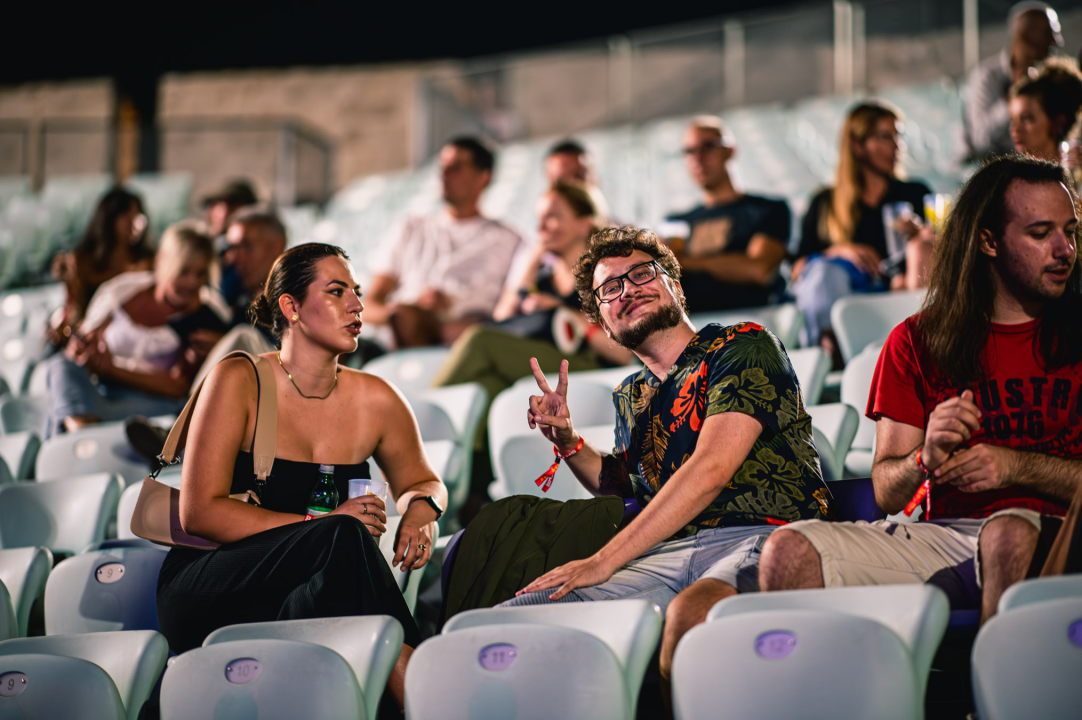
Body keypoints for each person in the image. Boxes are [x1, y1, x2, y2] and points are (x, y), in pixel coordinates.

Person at [502, 226, 834, 686]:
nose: (628, 291)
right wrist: (568, 441)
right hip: (668, 550)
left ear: (674, 287)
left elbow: (710, 470)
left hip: (764, 536)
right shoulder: (630, 394)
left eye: (641, 274)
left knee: (692, 617)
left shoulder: (741, 345)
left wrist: (603, 561)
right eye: (610, 289)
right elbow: (628, 488)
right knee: (511, 624)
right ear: (603, 323)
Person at [758, 155, 1082, 625]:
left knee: (1006, 535)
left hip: (1060, 532)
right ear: (988, 241)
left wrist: (1017, 467)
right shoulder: (915, 339)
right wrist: (924, 457)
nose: (1064, 249)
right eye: (1040, 233)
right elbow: (888, 492)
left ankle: (999, 695)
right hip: (946, 536)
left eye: (1070, 231)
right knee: (789, 550)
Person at [156, 243, 448, 712]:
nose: (357, 304)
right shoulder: (238, 379)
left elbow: (424, 480)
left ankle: (412, 691)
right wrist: (321, 527)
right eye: (337, 292)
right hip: (211, 587)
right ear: (290, 307)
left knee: (342, 545)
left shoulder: (377, 398)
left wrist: (419, 512)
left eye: (356, 291)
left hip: (312, 593)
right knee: (343, 532)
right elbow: (199, 512)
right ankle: (426, 694)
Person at [431, 182, 631, 406]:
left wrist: (563, 314)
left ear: (585, 225)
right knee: (487, 386)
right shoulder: (543, 280)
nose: (541, 227)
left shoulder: (605, 277)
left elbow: (623, 355)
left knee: (479, 340)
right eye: (539, 219)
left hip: (592, 370)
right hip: (547, 363)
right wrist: (532, 260)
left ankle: (412, 419)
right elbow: (502, 320)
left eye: (552, 217)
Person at [45, 222, 230, 437]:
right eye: (184, 271)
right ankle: (85, 433)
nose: (192, 282)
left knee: (64, 408)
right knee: (60, 366)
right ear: (163, 262)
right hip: (101, 393)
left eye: (200, 274)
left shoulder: (206, 314)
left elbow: (180, 388)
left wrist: (112, 370)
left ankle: (81, 439)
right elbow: (79, 344)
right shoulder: (121, 290)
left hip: (153, 403)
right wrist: (83, 352)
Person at [792, 102, 933, 353]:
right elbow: (798, 271)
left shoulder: (914, 194)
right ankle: (829, 348)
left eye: (898, 135)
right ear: (858, 147)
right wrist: (840, 251)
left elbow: (934, 253)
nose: (897, 145)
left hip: (900, 292)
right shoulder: (825, 202)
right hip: (848, 295)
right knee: (823, 275)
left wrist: (919, 237)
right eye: (884, 137)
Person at [362, 136, 524, 347]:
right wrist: (408, 315)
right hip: (396, 344)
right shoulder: (410, 228)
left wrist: (451, 312)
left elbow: (512, 311)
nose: (444, 175)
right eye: (442, 167)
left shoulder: (508, 240)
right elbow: (369, 305)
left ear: (483, 178)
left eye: (456, 168)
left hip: (464, 345)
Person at [664, 116, 790, 313]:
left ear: (730, 151)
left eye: (708, 146)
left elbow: (759, 270)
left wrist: (686, 262)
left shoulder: (767, 209)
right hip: (694, 329)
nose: (698, 158)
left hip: (753, 322)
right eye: (690, 151)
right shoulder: (676, 221)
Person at [50, 187, 156, 343]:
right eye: (127, 215)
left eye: (138, 214)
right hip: (90, 337)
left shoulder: (147, 260)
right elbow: (74, 312)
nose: (135, 222)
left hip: (134, 339)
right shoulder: (82, 260)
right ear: (109, 218)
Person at [962, 2, 1063, 161]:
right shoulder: (987, 77)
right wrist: (1011, 100)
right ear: (1024, 37)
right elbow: (980, 140)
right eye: (1049, 33)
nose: (1058, 41)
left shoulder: (1052, 81)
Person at [1009, 57, 1082, 162]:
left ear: (1058, 122)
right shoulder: (1007, 176)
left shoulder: (1074, 176)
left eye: (1026, 118)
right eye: (1012, 120)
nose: (1015, 130)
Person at [544, 139, 612, 224]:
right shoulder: (542, 234)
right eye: (563, 181)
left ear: (595, 179)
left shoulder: (624, 234)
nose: (575, 188)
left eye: (580, 176)